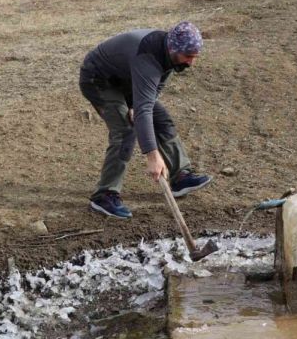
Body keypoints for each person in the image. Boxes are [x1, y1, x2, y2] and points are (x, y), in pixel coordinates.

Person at [79, 21, 212, 219]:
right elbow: (144, 111)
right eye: (188, 56)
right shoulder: (149, 57)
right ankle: (104, 195)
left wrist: (134, 104)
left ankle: (180, 176)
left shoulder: (169, 54)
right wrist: (153, 157)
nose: (191, 62)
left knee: (162, 119)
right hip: (98, 79)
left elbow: (154, 91)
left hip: (126, 80)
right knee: (125, 130)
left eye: (195, 57)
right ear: (173, 49)